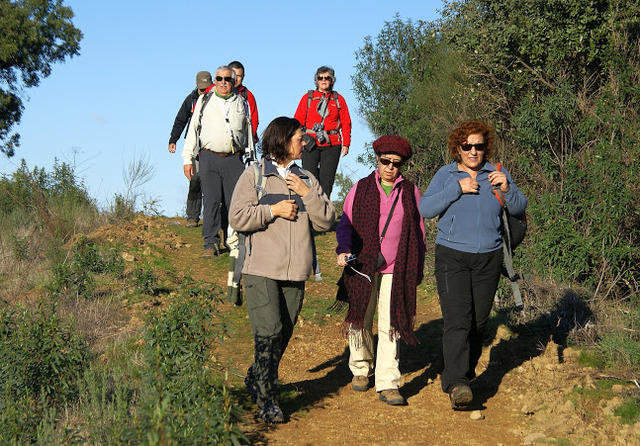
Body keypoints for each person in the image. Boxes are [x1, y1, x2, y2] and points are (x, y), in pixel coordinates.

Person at [229, 116, 335, 423]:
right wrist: (272, 210)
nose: (305, 142)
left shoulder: (307, 179)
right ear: (283, 140)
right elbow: (237, 216)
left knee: (283, 334)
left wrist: (306, 193)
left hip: (296, 271)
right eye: (299, 138)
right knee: (269, 332)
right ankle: (268, 400)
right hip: (260, 268)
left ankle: (256, 376)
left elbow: (327, 220)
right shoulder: (255, 175)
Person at [419, 120, 527, 409]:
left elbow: (518, 207)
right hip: (451, 256)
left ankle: (462, 373)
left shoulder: (497, 173)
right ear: (458, 147)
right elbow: (426, 208)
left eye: (479, 146)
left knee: (478, 323)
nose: (473, 151)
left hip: (489, 258)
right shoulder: (446, 174)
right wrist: (456, 189)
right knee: (458, 321)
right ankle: (457, 384)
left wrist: (507, 188)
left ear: (485, 148)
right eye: (467, 146)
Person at [335, 135, 425, 406]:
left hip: (397, 268)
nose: (390, 167)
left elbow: (419, 234)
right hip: (362, 264)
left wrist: (416, 268)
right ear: (377, 159)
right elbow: (346, 224)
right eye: (385, 161)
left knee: (390, 323)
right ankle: (361, 369)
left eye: (396, 164)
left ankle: (388, 382)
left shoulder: (411, 191)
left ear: (402, 165)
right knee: (360, 316)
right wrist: (343, 249)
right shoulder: (360, 188)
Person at [182, 65, 253, 262]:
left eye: (227, 79)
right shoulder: (204, 100)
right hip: (208, 157)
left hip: (234, 158)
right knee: (212, 200)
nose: (223, 83)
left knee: (235, 203)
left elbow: (248, 132)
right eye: (219, 78)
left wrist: (252, 159)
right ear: (215, 80)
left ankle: (234, 241)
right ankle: (210, 243)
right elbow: (192, 131)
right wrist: (187, 158)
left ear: (234, 81)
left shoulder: (242, 102)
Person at [294, 65, 351, 199]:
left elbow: (346, 122)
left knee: (327, 180)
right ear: (316, 80)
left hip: (332, 144)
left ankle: (324, 212)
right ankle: (310, 211)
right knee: (309, 177)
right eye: (320, 78)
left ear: (332, 80)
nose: (323, 80)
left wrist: (346, 143)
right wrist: (296, 141)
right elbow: (297, 121)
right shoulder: (308, 98)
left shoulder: (338, 99)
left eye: (327, 78)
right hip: (310, 142)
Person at [168, 70, 212, 227]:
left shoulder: (216, 99)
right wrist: (173, 139)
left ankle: (212, 217)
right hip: (194, 145)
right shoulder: (191, 99)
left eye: (206, 88)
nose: (204, 91)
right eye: (201, 89)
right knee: (195, 179)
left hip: (211, 145)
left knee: (212, 182)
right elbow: (180, 120)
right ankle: (192, 217)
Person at [228, 60, 259, 142]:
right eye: (233, 75)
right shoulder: (213, 90)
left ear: (243, 77)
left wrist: (249, 140)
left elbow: (254, 120)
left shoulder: (248, 96)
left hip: (239, 144)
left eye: (239, 76)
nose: (235, 79)